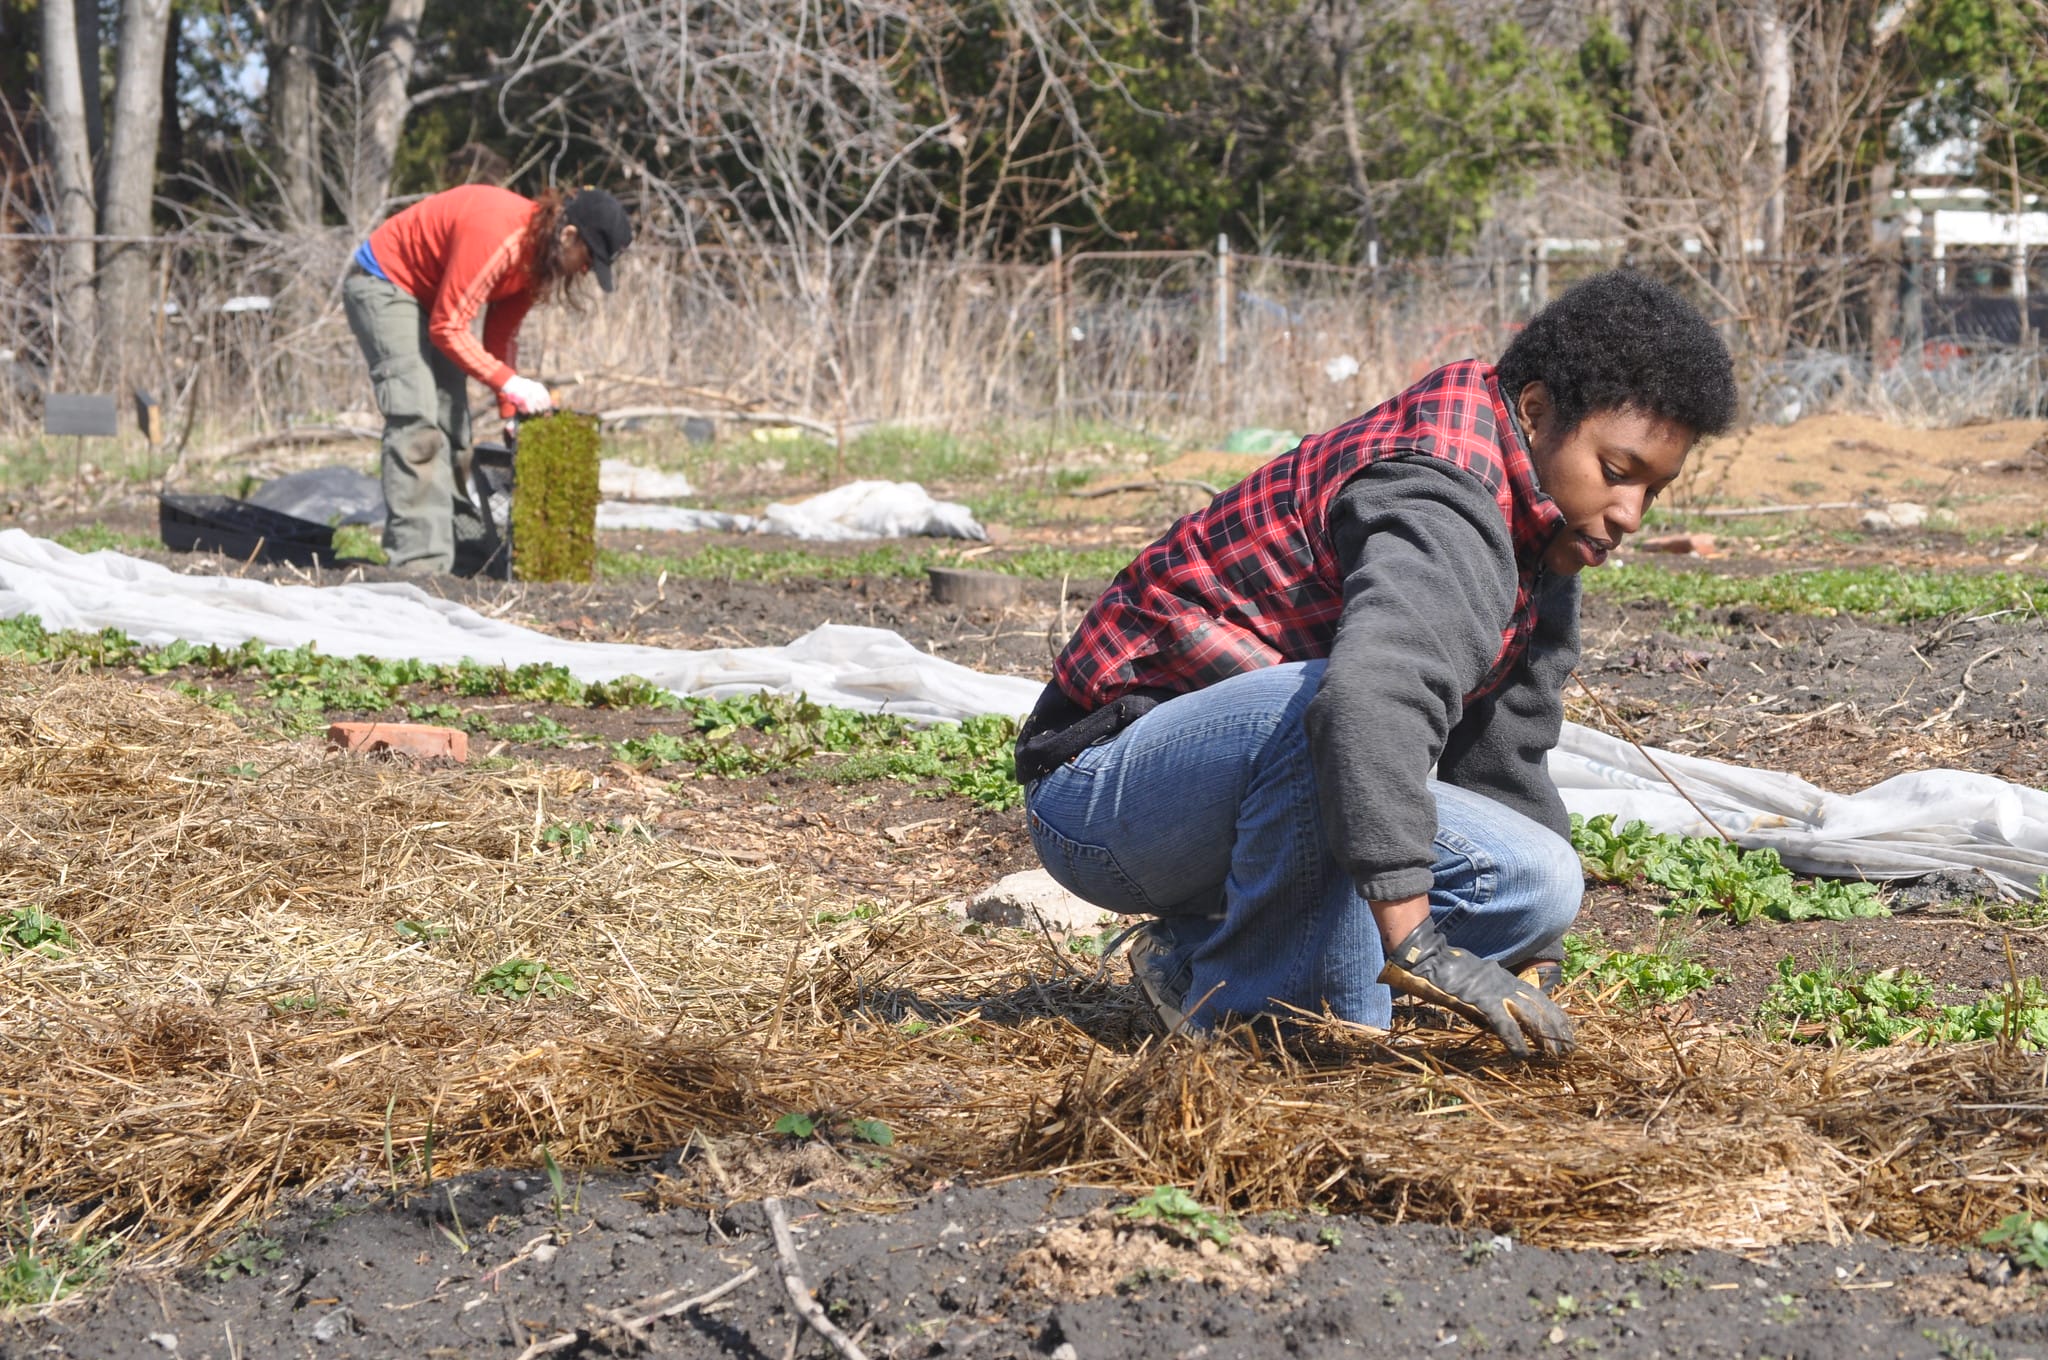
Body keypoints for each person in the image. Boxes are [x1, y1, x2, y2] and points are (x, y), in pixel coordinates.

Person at [1015, 270, 1737, 1058]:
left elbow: (1504, 749)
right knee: (1337, 702)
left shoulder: (1545, 528)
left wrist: (1534, 960)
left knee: (1538, 878)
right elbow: (1369, 700)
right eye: (1617, 471)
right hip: (1108, 791)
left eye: (1654, 492)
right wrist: (1414, 943)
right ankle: (1263, 1026)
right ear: (1536, 412)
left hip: (1268, 787)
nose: (1631, 515)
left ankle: (1198, 957)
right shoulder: (1437, 491)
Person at [342, 184, 633, 575]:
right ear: (569, 235)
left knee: (454, 425)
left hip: (430, 302)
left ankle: (461, 555)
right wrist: (511, 383)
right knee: (417, 420)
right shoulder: (502, 237)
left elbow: (500, 336)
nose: (583, 272)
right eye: (587, 260)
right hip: (383, 283)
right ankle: (419, 566)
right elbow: (448, 327)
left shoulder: (537, 260)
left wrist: (510, 411)